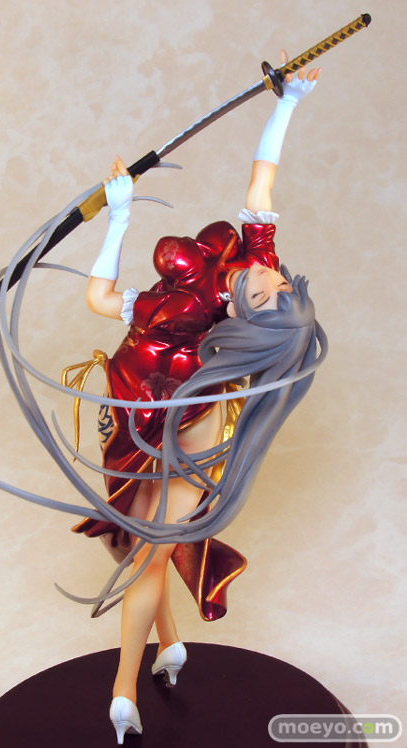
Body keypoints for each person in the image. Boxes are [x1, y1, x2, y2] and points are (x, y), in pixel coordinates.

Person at [77, 53, 324, 743]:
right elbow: (263, 175)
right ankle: (172, 644)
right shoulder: (256, 257)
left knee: (149, 552)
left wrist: (120, 216)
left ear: (242, 324)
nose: (268, 280)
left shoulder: (198, 320)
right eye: (278, 284)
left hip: (184, 428)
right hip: (129, 411)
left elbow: (101, 300)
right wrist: (286, 104)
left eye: (265, 297)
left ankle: (123, 690)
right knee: (128, 540)